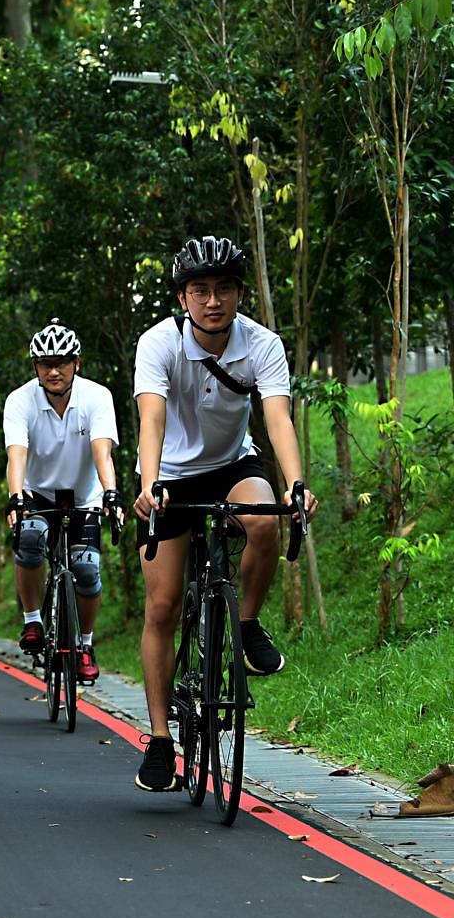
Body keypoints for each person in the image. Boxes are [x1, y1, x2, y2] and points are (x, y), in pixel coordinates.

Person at [131, 235, 317, 792]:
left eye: (224, 289)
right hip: (171, 475)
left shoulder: (262, 344)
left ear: (240, 293)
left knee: (263, 520)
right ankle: (162, 739)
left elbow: (277, 417)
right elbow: (152, 420)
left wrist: (296, 482)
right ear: (184, 297)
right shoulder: (158, 343)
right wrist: (149, 484)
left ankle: (245, 623)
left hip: (232, 464)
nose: (213, 301)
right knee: (161, 608)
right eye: (200, 290)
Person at [2, 319, 124, 684]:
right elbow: (16, 455)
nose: (54, 371)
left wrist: (111, 494)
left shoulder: (97, 397)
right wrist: (16, 498)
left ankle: (85, 644)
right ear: (35, 366)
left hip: (84, 494)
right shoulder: (20, 400)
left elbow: (103, 452)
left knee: (86, 570)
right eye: (45, 364)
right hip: (38, 493)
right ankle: (32, 621)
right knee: (28, 539)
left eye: (62, 362)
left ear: (77, 363)